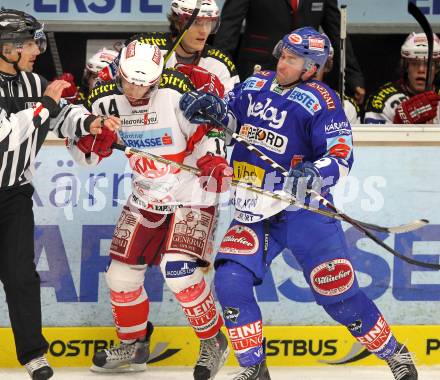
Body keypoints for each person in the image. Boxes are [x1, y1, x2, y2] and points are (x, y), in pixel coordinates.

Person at [179, 27, 418, 380]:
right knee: (230, 281)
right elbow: (230, 121)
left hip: (302, 210)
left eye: (292, 59)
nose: (282, 63)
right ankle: (254, 368)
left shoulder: (323, 100)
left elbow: (340, 154)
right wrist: (211, 110)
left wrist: (315, 172)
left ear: (312, 67)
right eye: (283, 55)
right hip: (254, 206)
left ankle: (393, 352)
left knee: (337, 294)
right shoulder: (253, 85)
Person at [67, 40, 232, 380]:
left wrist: (213, 159)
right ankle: (135, 345)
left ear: (158, 77)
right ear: (118, 72)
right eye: (129, 81)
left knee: (178, 270)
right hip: (146, 194)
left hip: (191, 193)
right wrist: (90, 139)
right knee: (120, 276)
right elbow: (85, 151)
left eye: (145, 83)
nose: (136, 89)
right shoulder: (104, 99)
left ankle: (213, 339)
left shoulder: (175, 90)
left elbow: (208, 129)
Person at [0, 8, 119, 380]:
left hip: (13, 195)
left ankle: (34, 354)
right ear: (6, 47)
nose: (36, 49)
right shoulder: (38, 93)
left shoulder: (34, 83)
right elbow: (5, 136)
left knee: (21, 276)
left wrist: (91, 123)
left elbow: (63, 115)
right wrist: (47, 104)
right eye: (28, 43)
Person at [213, 0, 366, 104]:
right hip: (259, 70)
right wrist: (216, 72)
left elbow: (337, 31)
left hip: (304, 74)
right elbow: (229, 28)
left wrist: (353, 77)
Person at [99, 0, 239, 93]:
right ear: (178, 22)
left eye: (209, 24)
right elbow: (102, 84)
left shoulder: (222, 63)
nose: (203, 31)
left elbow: (233, 110)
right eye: (196, 22)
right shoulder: (143, 45)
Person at [364, 32, 440, 124]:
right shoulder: (382, 100)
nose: (421, 69)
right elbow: (372, 137)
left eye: (428, 64)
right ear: (405, 66)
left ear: (437, 68)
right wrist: (400, 122)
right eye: (414, 63)